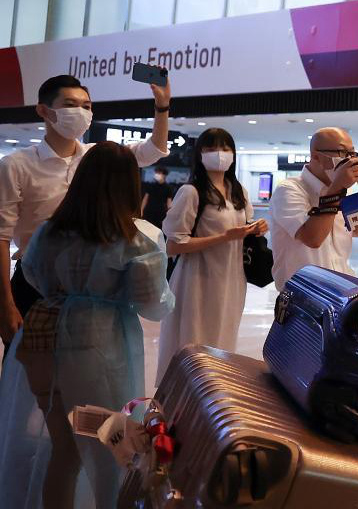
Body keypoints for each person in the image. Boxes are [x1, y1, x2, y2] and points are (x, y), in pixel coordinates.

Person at [0, 142, 174, 508]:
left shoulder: (50, 231)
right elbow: (152, 304)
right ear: (130, 185)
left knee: (64, 451)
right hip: (99, 349)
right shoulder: (138, 239)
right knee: (111, 451)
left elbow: (31, 274)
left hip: (40, 341)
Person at [0, 74, 170, 361]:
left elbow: (153, 150)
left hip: (92, 286)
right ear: (44, 110)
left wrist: (162, 108)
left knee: (81, 378)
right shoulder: (16, 165)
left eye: (87, 105)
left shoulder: (96, 155)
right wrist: (6, 304)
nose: (81, 112)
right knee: (28, 379)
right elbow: (2, 237)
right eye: (70, 104)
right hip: (36, 282)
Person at [157, 128, 267, 382]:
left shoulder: (237, 190)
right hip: (197, 280)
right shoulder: (191, 192)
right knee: (195, 341)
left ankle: (215, 392)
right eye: (210, 149)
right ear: (199, 155)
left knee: (223, 340)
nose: (219, 154)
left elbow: (243, 229)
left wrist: (256, 228)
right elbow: (174, 246)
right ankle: (185, 398)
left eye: (225, 148)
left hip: (231, 279)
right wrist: (225, 237)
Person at [270, 127, 358, 291]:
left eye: (352, 154)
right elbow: (313, 238)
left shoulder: (343, 193)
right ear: (316, 156)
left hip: (340, 294)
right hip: (303, 298)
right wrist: (336, 189)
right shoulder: (289, 190)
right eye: (342, 153)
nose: (350, 160)